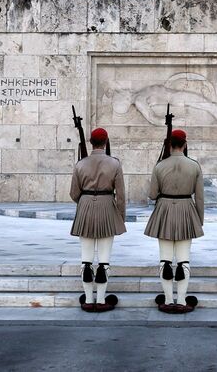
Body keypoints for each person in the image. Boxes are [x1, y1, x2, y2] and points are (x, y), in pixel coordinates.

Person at [144, 129, 205, 314]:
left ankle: (168, 300)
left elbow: (152, 194)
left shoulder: (160, 166)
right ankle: (182, 300)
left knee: (165, 260)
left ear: (169, 145)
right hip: (186, 210)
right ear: (185, 144)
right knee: (183, 260)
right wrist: (199, 220)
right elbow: (200, 197)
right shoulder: (194, 166)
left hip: (164, 211)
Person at [69, 128, 126, 312]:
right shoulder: (115, 163)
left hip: (85, 207)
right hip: (107, 207)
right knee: (104, 260)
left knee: (86, 259)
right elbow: (121, 195)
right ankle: (101, 300)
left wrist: (85, 201)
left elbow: (74, 193)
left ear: (91, 142)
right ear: (106, 141)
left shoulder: (80, 164)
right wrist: (120, 217)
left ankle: (87, 299)